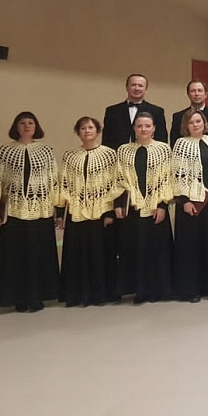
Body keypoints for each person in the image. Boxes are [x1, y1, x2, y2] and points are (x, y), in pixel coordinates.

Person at [0, 112, 59, 312]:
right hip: (13, 210)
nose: (26, 126)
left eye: (30, 122)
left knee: (38, 253)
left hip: (41, 209)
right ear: (16, 127)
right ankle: (18, 298)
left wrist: (57, 209)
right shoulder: (5, 151)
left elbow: (54, 181)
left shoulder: (46, 151)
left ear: (36, 127)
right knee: (15, 255)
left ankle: (37, 297)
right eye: (22, 123)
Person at [57, 117, 121, 307]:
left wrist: (109, 213)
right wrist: (60, 212)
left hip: (101, 212)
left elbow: (116, 183)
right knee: (77, 255)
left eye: (90, 127)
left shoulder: (109, 154)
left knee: (100, 254)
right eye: (83, 128)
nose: (87, 131)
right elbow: (63, 184)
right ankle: (79, 295)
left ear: (97, 131)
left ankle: (101, 294)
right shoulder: (70, 156)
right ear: (78, 132)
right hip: (76, 211)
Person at [114, 111, 174, 303]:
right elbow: (118, 179)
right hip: (132, 207)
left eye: (147, 126)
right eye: (139, 126)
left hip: (156, 207)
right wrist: (119, 204)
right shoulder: (124, 150)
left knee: (157, 249)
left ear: (154, 128)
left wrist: (162, 205)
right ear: (134, 128)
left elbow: (167, 179)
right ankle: (139, 290)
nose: (143, 129)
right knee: (135, 249)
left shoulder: (163, 149)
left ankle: (159, 290)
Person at [170, 108, 208, 302]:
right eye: (191, 122)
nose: (195, 125)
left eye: (198, 121)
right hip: (191, 203)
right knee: (191, 248)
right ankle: (191, 290)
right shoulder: (181, 144)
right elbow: (176, 174)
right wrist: (184, 200)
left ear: (204, 123)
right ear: (186, 126)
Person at [103, 74, 168, 149]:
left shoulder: (157, 112)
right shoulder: (112, 111)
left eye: (140, 85)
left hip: (147, 154)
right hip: (117, 154)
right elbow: (106, 140)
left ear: (146, 89)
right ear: (127, 88)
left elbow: (161, 139)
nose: (137, 88)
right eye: (133, 85)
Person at [170, 80, 208, 144]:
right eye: (193, 91)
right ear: (188, 94)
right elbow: (174, 143)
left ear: (206, 94)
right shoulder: (178, 117)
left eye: (200, 90)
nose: (196, 94)